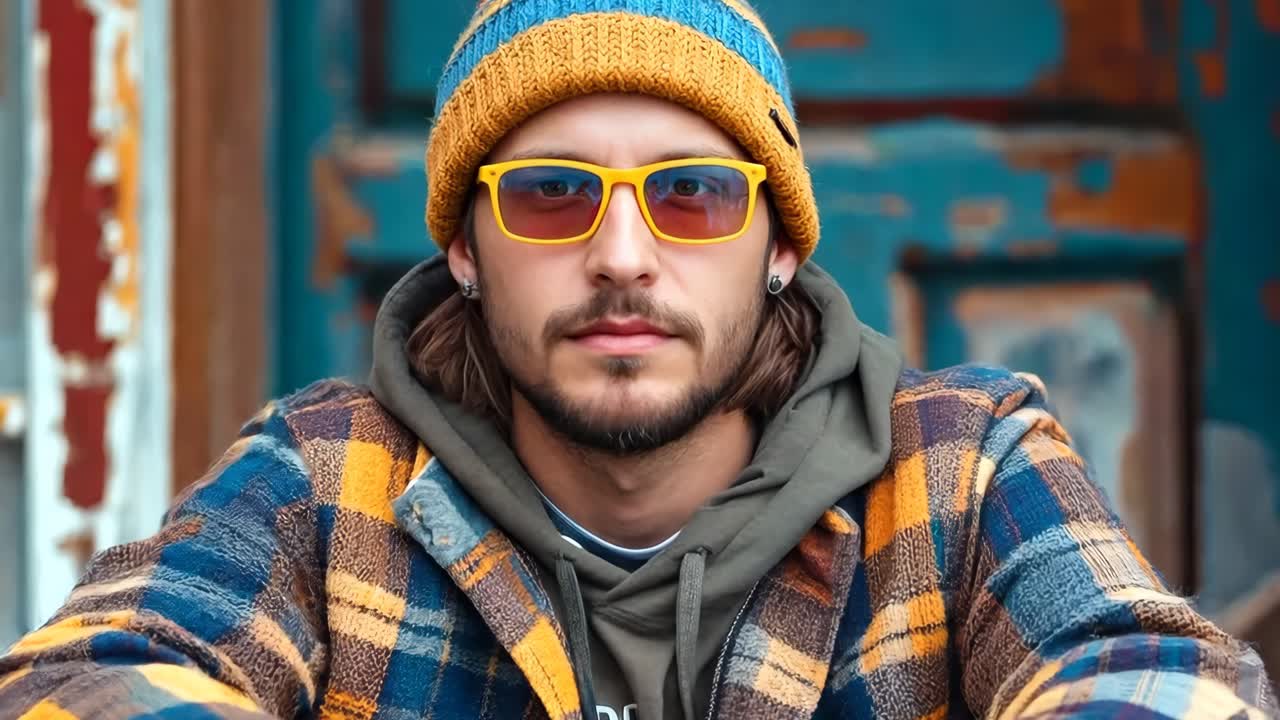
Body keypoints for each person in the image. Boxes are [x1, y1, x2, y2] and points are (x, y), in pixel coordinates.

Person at [1, 1, 1275, 718]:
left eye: (695, 197)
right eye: (552, 194)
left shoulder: (958, 465)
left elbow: (1158, 682)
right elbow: (86, 681)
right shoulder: (330, 480)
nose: (621, 255)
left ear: (777, 245)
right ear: (462, 247)